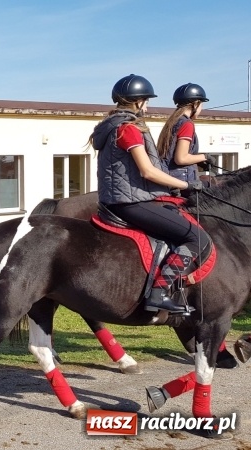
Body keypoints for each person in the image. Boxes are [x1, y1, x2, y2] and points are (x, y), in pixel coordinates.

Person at [90, 74, 211, 315]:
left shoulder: (114, 125)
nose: (147, 106)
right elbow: (148, 171)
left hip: (119, 199)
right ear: (138, 102)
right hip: (130, 202)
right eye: (146, 101)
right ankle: (160, 292)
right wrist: (186, 186)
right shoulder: (128, 129)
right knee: (197, 238)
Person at [157, 83, 217, 183]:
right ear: (195, 104)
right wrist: (205, 157)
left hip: (169, 176)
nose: (201, 109)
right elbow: (181, 158)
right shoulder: (187, 124)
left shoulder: (173, 121)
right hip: (182, 180)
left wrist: (197, 160)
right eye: (202, 105)